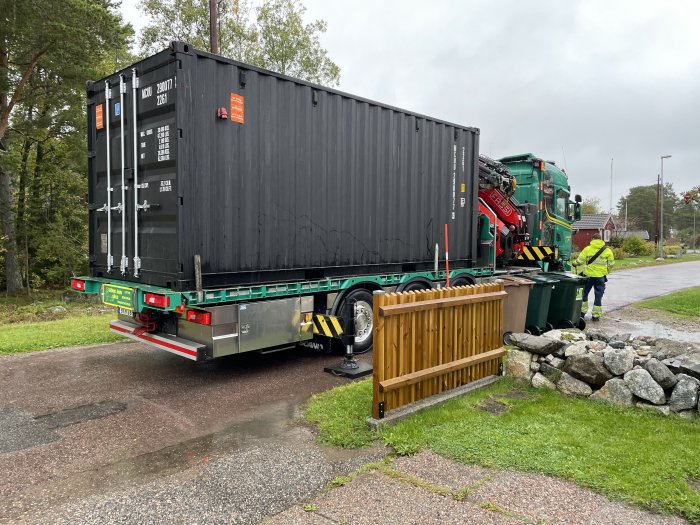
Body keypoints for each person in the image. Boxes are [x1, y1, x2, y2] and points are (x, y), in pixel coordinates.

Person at [573, 233, 615, 321]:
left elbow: (580, 261)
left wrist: (574, 263)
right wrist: (606, 271)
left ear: (592, 239)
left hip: (588, 276)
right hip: (600, 277)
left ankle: (582, 313)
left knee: (584, 294)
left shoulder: (588, 249)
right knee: (598, 296)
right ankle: (596, 315)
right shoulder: (607, 250)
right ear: (601, 239)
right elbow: (611, 264)